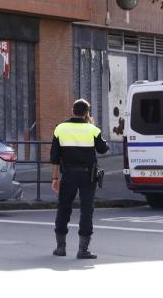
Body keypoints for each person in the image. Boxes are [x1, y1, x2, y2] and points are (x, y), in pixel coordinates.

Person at [51, 99, 109, 259]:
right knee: (86, 210)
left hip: (68, 175)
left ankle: (60, 248)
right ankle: (83, 250)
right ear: (86, 112)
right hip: (88, 176)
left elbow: (54, 157)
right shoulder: (93, 129)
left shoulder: (60, 129)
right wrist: (91, 125)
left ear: (72, 110)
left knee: (63, 208)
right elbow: (103, 149)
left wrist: (55, 178)